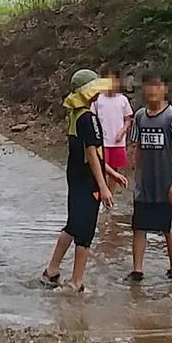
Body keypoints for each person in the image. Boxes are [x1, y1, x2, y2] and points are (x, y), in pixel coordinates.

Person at [41, 69, 127, 294]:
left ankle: (52, 270)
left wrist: (112, 173)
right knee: (85, 231)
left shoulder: (76, 115)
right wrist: (103, 186)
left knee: (73, 225)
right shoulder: (90, 119)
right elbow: (92, 154)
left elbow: (92, 154)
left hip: (76, 178)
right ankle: (76, 282)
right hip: (88, 182)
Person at [128, 64, 172, 283]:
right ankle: (137, 270)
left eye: (156, 85)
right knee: (139, 227)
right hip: (146, 183)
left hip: (167, 181)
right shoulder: (140, 117)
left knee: (169, 228)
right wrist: (137, 176)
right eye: (148, 86)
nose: (152, 90)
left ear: (165, 89)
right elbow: (139, 148)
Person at [94, 68, 133, 179]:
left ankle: (111, 194)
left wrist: (123, 131)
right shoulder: (98, 99)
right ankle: (102, 191)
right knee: (102, 167)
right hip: (102, 141)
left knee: (115, 168)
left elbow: (128, 118)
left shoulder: (123, 99)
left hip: (118, 141)